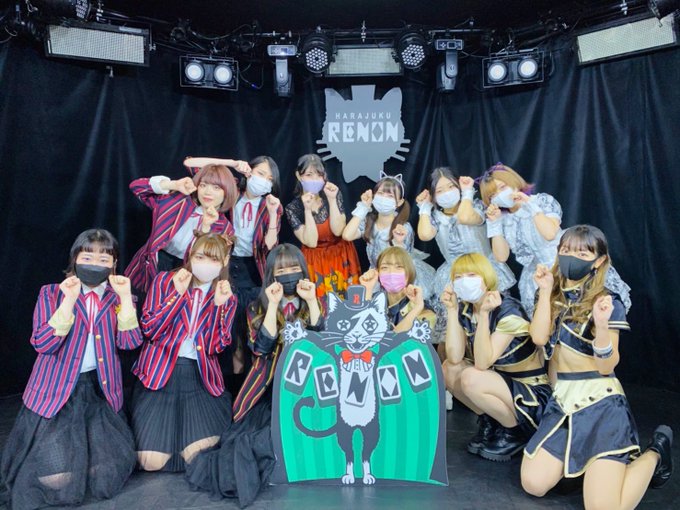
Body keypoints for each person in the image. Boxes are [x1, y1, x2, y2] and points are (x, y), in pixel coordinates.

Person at [521, 225, 673, 508]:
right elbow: (539, 338)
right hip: (562, 403)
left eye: (582, 253)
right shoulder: (551, 294)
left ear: (599, 260)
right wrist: (545, 291)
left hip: (601, 405)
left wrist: (602, 327)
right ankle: (589, 469)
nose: (571, 257)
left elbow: (607, 365)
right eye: (566, 250)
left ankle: (655, 453)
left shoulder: (607, 301)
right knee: (533, 483)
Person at [0, 229, 142, 509]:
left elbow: (129, 343)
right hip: (56, 393)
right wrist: (68, 301)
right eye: (87, 257)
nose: (95, 264)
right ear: (75, 258)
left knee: (103, 474)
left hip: (100, 393)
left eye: (104, 259)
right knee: (58, 480)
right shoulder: (51, 293)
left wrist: (126, 298)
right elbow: (43, 343)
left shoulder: (118, 297)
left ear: (114, 264)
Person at [186, 243, 323, 507]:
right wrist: (273, 306)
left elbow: (322, 341)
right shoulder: (255, 308)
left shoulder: (317, 301)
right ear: (271, 274)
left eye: (294, 268)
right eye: (281, 270)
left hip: (309, 388)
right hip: (269, 388)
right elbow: (261, 348)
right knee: (252, 440)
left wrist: (311, 300)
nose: (289, 274)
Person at [131, 233, 237, 473]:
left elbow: (215, 347)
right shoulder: (165, 281)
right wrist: (176, 295)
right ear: (190, 255)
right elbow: (150, 329)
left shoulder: (227, 297)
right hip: (160, 375)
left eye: (213, 259)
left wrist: (218, 307)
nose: (205, 264)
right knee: (150, 462)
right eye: (200, 257)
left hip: (199, 379)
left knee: (198, 459)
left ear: (224, 261)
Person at [441, 253, 550, 461]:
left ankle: (514, 432)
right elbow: (454, 357)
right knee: (449, 369)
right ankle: (491, 422)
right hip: (499, 383)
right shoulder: (466, 308)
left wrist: (484, 316)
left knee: (472, 376)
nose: (464, 281)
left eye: (471, 275)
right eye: (458, 277)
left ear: (486, 277)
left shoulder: (508, 309)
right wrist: (452, 311)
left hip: (530, 393)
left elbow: (483, 363)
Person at [183, 155, 283, 376]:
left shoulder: (271, 205)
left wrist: (272, 214)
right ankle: (223, 375)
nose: (264, 181)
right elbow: (190, 164)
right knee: (226, 320)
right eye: (260, 174)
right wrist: (232, 164)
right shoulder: (230, 190)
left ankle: (248, 377)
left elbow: (270, 245)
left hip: (253, 269)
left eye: (269, 179)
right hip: (224, 263)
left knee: (249, 325)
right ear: (249, 171)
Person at [416, 166, 515, 346]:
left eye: (451, 187)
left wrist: (467, 193)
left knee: (489, 320)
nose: (447, 193)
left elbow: (464, 217)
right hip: (454, 275)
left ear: (459, 186)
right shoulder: (435, 217)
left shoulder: (476, 206)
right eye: (440, 190)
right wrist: (424, 207)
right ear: (433, 196)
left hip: (484, 270)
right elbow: (424, 235)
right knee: (454, 328)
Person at [125, 161, 239, 294]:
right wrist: (173, 184)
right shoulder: (177, 201)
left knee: (168, 305)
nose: (208, 192)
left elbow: (205, 263)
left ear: (227, 192)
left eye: (216, 188)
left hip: (186, 274)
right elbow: (136, 187)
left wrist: (205, 228)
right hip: (149, 268)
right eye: (203, 185)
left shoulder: (225, 229)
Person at [344, 171, 436, 300]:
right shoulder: (368, 222)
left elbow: (404, 260)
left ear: (399, 202)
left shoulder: (403, 227)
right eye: (380, 193)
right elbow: (347, 235)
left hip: (396, 276)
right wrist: (364, 207)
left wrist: (399, 242)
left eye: (390, 196)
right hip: (376, 275)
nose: (384, 198)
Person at [284, 154, 361, 297]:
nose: (314, 179)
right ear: (299, 176)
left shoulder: (333, 194)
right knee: (320, 302)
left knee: (348, 300)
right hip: (315, 260)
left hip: (341, 255)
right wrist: (307, 210)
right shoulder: (293, 208)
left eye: (319, 175)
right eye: (309, 175)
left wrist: (332, 200)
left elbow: (338, 231)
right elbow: (311, 242)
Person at [359, 246, 435, 333]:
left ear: (409, 272)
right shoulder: (372, 300)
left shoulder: (425, 311)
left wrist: (417, 307)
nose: (391, 272)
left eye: (399, 267)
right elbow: (361, 333)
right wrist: (368, 290)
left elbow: (395, 339)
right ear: (378, 273)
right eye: (384, 267)